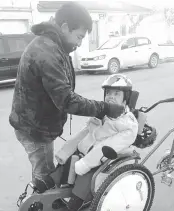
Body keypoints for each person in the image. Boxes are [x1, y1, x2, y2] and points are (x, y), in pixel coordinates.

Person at [9, 2, 125, 182]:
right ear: (64, 27)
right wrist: (105, 108)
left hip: (36, 123)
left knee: (44, 168)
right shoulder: (47, 52)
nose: (79, 43)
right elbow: (67, 100)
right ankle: (39, 208)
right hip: (34, 129)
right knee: (45, 174)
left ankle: (40, 200)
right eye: (78, 37)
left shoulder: (52, 44)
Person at [38, 74, 139, 211]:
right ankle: (45, 185)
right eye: (108, 93)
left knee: (85, 180)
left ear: (125, 98)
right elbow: (85, 132)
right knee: (65, 165)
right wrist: (68, 149)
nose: (111, 97)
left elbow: (109, 145)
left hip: (102, 158)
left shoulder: (128, 124)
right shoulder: (103, 113)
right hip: (86, 150)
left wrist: (85, 164)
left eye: (116, 94)